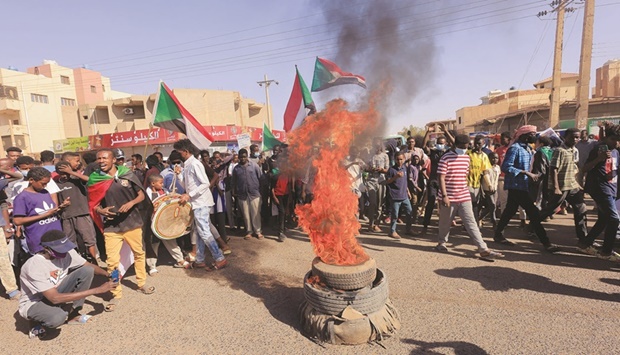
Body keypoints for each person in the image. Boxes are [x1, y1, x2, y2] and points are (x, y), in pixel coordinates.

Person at [89, 149, 155, 312]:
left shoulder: (128, 174)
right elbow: (93, 203)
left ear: (113, 160)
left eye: (105, 158)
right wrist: (100, 211)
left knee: (139, 253)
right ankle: (116, 293)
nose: (101, 161)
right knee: (111, 262)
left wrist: (131, 203)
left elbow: (141, 196)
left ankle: (141, 283)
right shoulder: (94, 179)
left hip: (132, 222)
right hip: (112, 226)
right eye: (99, 158)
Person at [18, 230, 116, 338]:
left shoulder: (66, 253)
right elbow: (54, 298)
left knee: (87, 271)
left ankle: (73, 315)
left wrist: (107, 274)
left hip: (55, 291)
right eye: (59, 249)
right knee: (58, 317)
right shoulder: (34, 265)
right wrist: (97, 290)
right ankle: (35, 322)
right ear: (46, 249)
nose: (64, 252)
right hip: (35, 302)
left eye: (64, 247)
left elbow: (88, 265)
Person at [435, 134, 504, 259]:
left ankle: (483, 248)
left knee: (471, 222)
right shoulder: (445, 158)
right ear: (456, 145)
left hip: (464, 195)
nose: (464, 149)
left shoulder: (467, 158)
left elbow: (465, 175)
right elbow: (441, 177)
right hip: (448, 197)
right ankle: (441, 243)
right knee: (445, 222)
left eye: (466, 147)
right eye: (462, 147)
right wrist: (444, 195)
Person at [494, 126, 560, 253]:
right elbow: (506, 167)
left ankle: (498, 234)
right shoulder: (515, 148)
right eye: (532, 134)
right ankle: (546, 243)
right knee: (533, 213)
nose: (535, 137)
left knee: (509, 211)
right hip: (516, 185)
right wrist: (525, 173)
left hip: (523, 185)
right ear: (524, 135)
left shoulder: (529, 149)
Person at [174, 139, 228, 270]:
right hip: (196, 202)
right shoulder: (187, 165)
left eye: (179, 153)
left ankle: (219, 258)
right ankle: (200, 259)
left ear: (186, 152)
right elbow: (186, 185)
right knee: (198, 231)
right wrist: (179, 175)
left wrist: (189, 195)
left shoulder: (195, 164)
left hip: (201, 202)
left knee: (203, 231)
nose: (178, 156)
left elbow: (205, 183)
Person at [578, 127, 620, 261]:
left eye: (618, 140)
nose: (616, 143)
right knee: (614, 219)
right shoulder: (599, 149)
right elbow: (584, 168)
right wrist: (599, 159)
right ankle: (606, 251)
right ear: (606, 138)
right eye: (613, 139)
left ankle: (585, 243)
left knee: (604, 219)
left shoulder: (616, 152)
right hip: (600, 189)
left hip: (611, 188)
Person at [539, 128, 587, 241]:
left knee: (581, 208)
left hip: (572, 186)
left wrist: (578, 184)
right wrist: (556, 187)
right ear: (565, 137)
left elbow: (574, 168)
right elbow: (553, 169)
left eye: (577, 137)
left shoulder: (574, 150)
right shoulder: (559, 150)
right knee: (550, 209)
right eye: (572, 137)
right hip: (561, 187)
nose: (575, 139)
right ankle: (532, 226)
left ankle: (583, 236)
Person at [13, 168, 70, 256]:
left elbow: (50, 211)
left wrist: (61, 207)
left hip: (56, 236)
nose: (45, 186)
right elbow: (17, 221)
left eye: (47, 183)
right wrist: (45, 215)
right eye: (43, 183)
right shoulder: (22, 197)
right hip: (39, 240)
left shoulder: (45, 192)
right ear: (31, 180)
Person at [55, 162, 98, 261]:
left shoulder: (78, 179)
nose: (64, 174)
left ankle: (94, 260)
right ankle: (75, 261)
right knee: (70, 241)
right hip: (66, 216)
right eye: (62, 172)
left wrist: (71, 173)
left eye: (66, 171)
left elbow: (90, 180)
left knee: (89, 239)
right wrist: (62, 206)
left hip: (81, 213)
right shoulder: (56, 183)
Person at [144, 174, 187, 272]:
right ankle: (152, 266)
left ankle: (179, 259)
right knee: (153, 244)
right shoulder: (147, 194)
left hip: (166, 223)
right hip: (152, 224)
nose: (162, 184)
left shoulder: (165, 191)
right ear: (153, 183)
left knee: (171, 240)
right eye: (160, 183)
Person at [421, 125, 453, 233]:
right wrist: (427, 133)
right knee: (430, 202)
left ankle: (444, 227)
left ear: (446, 143)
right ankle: (425, 226)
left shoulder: (448, 153)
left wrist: (446, 131)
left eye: (442, 143)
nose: (440, 145)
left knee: (445, 204)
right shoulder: (433, 152)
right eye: (439, 143)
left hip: (444, 182)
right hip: (433, 180)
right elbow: (423, 146)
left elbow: (455, 144)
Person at [232, 148, 264, 240]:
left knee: (256, 213)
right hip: (242, 195)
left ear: (247, 156)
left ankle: (258, 231)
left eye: (244, 157)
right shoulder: (236, 169)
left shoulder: (254, 166)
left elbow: (261, 179)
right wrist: (234, 191)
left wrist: (261, 192)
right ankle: (249, 231)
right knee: (246, 215)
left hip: (254, 194)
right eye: (241, 157)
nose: (242, 159)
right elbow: (233, 181)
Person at [386, 152, 413, 239]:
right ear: (394, 160)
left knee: (409, 212)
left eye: (401, 159)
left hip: (404, 195)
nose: (399, 161)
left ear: (404, 159)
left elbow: (405, 181)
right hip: (395, 196)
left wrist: (408, 191)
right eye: (397, 159)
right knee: (395, 215)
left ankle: (408, 229)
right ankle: (392, 231)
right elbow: (388, 181)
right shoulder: (391, 170)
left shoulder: (404, 168)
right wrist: (396, 177)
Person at [467, 135, 492, 225]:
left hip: (477, 184)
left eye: (479, 144)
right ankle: (473, 224)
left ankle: (472, 223)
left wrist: (489, 184)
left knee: (476, 205)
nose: (477, 146)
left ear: (483, 144)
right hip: (467, 183)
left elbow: (485, 171)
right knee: (472, 204)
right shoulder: (468, 154)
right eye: (476, 143)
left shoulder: (484, 156)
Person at [366, 139, 389, 233]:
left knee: (379, 204)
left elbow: (387, 170)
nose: (377, 147)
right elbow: (365, 168)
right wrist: (370, 169)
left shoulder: (385, 156)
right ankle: (370, 224)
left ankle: (377, 224)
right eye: (375, 145)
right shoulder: (369, 155)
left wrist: (381, 170)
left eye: (378, 145)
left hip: (381, 181)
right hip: (371, 181)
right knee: (372, 203)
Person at [271, 158, 290, 242]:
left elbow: (288, 186)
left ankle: (282, 227)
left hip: (285, 195)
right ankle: (280, 233)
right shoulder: (275, 177)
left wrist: (290, 197)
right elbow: (271, 189)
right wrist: (274, 198)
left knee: (284, 211)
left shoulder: (287, 176)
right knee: (281, 211)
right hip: (278, 196)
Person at [479, 152, 500, 228]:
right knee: (492, 205)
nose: (495, 160)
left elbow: (497, 178)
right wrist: (489, 185)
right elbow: (486, 176)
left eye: (496, 158)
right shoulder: (486, 167)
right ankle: (493, 222)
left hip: (495, 189)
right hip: (487, 189)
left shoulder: (497, 167)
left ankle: (492, 221)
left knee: (493, 207)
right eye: (493, 158)